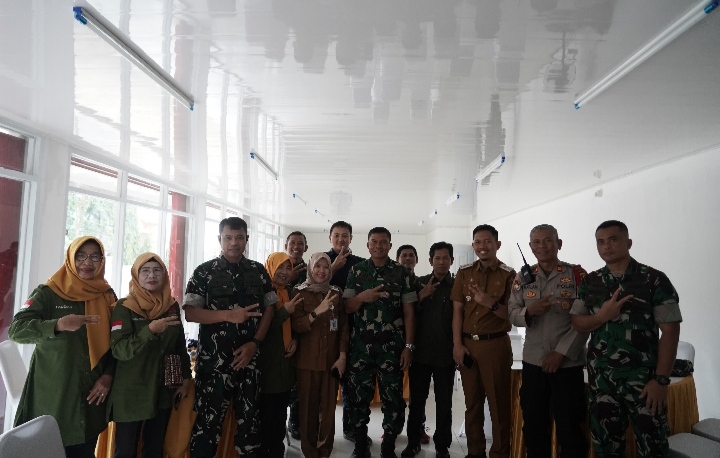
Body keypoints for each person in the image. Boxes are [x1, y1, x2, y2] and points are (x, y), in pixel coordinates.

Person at [571, 220, 682, 458]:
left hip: (644, 383)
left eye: (613, 240)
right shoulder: (591, 282)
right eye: (600, 242)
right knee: (606, 450)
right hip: (602, 384)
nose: (606, 246)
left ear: (628, 243)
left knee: (653, 449)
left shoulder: (653, 279)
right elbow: (577, 322)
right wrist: (602, 316)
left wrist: (661, 380)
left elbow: (671, 331)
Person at [9, 236, 116, 458]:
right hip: (55, 394)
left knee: (84, 450)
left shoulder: (106, 295)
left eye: (95, 257)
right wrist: (57, 325)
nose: (88, 262)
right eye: (81, 256)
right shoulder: (49, 292)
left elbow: (116, 342)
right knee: (51, 449)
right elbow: (16, 330)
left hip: (92, 394)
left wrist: (108, 376)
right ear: (70, 258)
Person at [183, 217, 277, 458]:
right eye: (228, 237)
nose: (234, 242)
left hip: (250, 363)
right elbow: (191, 313)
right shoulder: (204, 272)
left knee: (250, 428)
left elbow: (270, 308)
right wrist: (228, 315)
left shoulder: (258, 271)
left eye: (239, 237)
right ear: (220, 239)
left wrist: (255, 343)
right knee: (206, 428)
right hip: (213, 366)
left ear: (247, 239)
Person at [507, 225, 588, 458]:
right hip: (534, 363)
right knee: (534, 427)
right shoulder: (523, 277)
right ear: (530, 246)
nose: (542, 246)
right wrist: (529, 311)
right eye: (536, 242)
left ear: (559, 244)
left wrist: (560, 353)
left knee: (570, 429)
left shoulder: (576, 275)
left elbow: (585, 320)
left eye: (548, 241)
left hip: (568, 364)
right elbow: (512, 313)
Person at [108, 253, 192, 458]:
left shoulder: (171, 306)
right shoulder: (124, 307)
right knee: (125, 451)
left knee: (154, 450)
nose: (151, 276)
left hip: (162, 389)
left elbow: (179, 346)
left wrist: (185, 379)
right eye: (145, 271)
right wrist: (149, 331)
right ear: (136, 275)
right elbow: (119, 349)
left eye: (157, 270)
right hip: (131, 392)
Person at [344, 227, 417, 458]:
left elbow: (409, 313)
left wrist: (409, 346)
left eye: (383, 242)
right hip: (360, 349)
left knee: (393, 401)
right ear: (367, 245)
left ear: (390, 245)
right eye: (374, 242)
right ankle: (360, 446)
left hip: (392, 349)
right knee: (358, 399)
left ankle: (388, 447)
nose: (378, 246)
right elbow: (347, 307)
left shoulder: (401, 273)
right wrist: (361, 297)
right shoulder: (357, 271)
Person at [451, 224, 515, 458]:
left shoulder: (509, 275)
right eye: (477, 242)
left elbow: (513, 315)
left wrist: (490, 303)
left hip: (495, 346)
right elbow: (457, 311)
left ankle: (500, 453)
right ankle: (474, 452)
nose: (482, 246)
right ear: (473, 245)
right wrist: (457, 345)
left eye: (487, 241)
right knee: (472, 404)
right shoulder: (464, 273)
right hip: (468, 346)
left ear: (498, 244)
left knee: (499, 406)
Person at [291, 252, 349, 458]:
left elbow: (343, 327)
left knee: (328, 412)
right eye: (317, 266)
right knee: (307, 411)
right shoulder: (299, 292)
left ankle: (325, 452)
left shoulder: (336, 292)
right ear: (310, 268)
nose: (322, 271)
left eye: (326, 267)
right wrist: (317, 311)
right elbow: (296, 326)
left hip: (331, 361)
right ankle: (310, 452)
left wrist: (342, 357)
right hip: (307, 362)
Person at [402, 242, 455, 458]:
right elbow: (406, 313)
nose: (441, 262)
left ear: (451, 260)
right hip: (420, 354)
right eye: (437, 258)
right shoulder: (418, 283)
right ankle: (413, 442)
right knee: (417, 402)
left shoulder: (456, 286)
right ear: (430, 260)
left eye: (445, 258)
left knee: (444, 403)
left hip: (446, 355)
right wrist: (421, 295)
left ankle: (442, 446)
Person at [324, 220, 366, 442]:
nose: (341, 239)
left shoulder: (360, 264)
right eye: (337, 235)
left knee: (351, 383)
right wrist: (333, 267)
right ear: (330, 237)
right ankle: (321, 429)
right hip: (324, 330)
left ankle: (350, 428)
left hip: (353, 329)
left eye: (345, 236)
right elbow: (311, 288)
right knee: (324, 382)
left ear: (351, 238)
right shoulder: (321, 260)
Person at [258, 252, 302, 458]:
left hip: (285, 365)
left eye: (288, 268)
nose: (284, 272)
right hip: (267, 365)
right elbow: (261, 330)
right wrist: (284, 311)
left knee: (280, 416)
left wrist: (295, 340)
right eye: (280, 267)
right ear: (270, 268)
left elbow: (294, 325)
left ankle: (277, 452)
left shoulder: (289, 292)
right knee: (266, 418)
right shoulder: (263, 293)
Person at [284, 231, 308, 439]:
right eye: (292, 243)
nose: (296, 247)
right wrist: (288, 279)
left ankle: (295, 422)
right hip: (279, 332)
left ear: (306, 248)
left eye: (300, 243)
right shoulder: (278, 268)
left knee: (298, 383)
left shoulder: (311, 271)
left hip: (301, 332)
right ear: (286, 246)